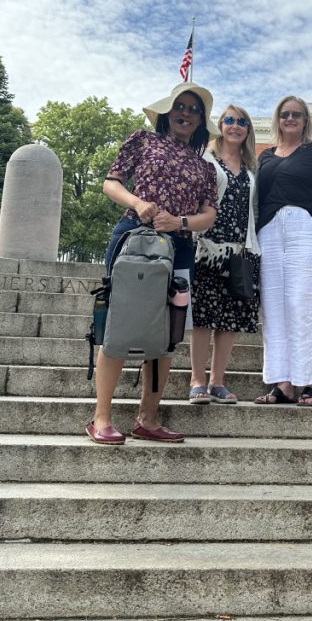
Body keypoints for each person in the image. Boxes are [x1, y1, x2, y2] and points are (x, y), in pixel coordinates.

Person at [85, 84, 218, 445]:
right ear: (166, 112)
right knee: (118, 322)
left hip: (179, 246)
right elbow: (111, 183)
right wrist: (139, 203)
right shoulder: (142, 140)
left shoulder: (205, 168)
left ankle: (148, 417)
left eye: (194, 109)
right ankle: (101, 417)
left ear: (201, 122)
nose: (186, 113)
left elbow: (209, 214)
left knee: (167, 332)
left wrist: (181, 222)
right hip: (134, 235)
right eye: (180, 106)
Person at [254, 95, 312, 406]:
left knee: (302, 308)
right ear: (277, 119)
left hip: (305, 231)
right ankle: (282, 384)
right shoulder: (265, 157)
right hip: (269, 234)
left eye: (297, 114)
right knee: (274, 309)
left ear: (306, 120)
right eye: (285, 114)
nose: (290, 118)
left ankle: (308, 383)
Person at [189, 105, 261, 405]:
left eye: (241, 122)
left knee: (230, 320)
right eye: (229, 120)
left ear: (248, 129)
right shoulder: (205, 158)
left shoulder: (249, 167)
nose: (235, 126)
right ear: (220, 125)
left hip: (239, 250)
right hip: (207, 248)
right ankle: (197, 380)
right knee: (204, 317)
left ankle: (218, 381)